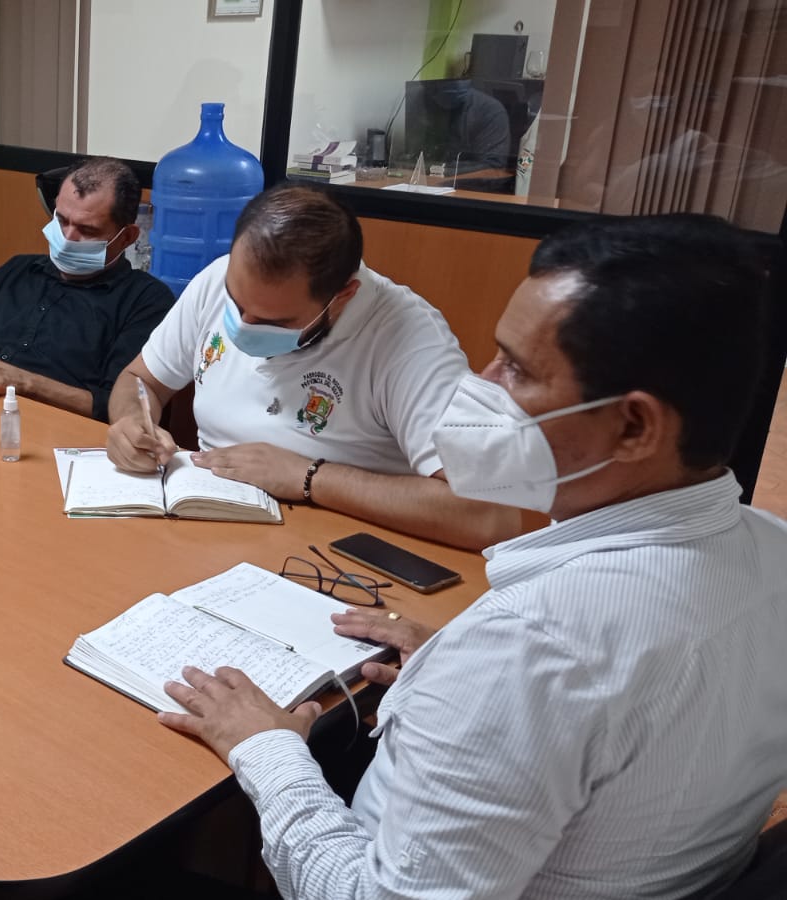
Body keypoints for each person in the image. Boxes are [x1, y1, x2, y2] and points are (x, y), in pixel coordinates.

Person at [157, 214, 787, 899]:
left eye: (516, 367)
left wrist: (266, 749)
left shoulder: (530, 648)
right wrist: (452, 662)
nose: (482, 383)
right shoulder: (770, 548)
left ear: (634, 426)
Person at [106, 184, 520, 550]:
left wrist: (310, 478)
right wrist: (131, 422)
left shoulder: (408, 338)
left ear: (343, 297)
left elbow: (491, 514)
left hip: (334, 551)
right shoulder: (218, 279)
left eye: (273, 321)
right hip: (203, 522)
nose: (243, 326)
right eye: (236, 303)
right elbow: (140, 380)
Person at [0, 156, 174, 420]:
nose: (67, 237)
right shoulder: (19, 269)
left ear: (127, 238)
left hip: (47, 432)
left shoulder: (146, 300)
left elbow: (116, 406)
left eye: (87, 230)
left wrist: (23, 382)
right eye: (61, 220)